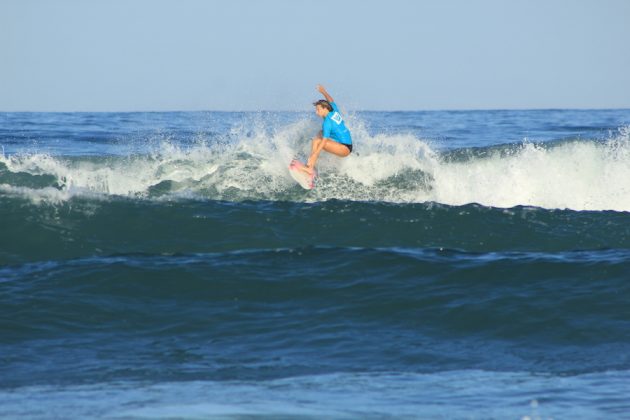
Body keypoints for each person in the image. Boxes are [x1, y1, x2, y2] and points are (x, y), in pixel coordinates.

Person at [302, 85, 353, 175]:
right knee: (320, 133)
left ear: (325, 108)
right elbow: (331, 100)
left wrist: (315, 155)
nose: (316, 112)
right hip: (347, 144)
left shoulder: (327, 123)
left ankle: (310, 167)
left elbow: (324, 142)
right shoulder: (334, 110)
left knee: (318, 141)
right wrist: (323, 91)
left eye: (318, 109)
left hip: (344, 149)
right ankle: (312, 164)